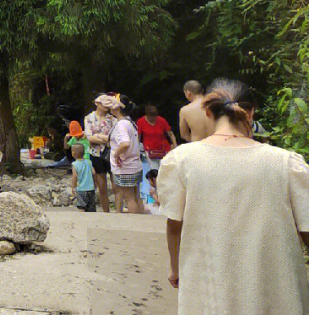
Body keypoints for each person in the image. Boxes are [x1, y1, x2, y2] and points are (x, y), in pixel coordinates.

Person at [159, 79, 309, 314]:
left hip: (208, 287)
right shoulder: (285, 163)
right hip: (276, 291)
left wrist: (175, 268)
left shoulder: (182, 160)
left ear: (207, 112)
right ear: (251, 112)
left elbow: (174, 223)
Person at [109, 96, 143, 214]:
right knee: (136, 196)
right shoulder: (130, 121)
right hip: (134, 164)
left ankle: (134, 225)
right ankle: (142, 222)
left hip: (125, 166)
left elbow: (125, 143)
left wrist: (116, 154)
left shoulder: (121, 124)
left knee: (129, 198)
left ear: (117, 107)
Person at [137, 103, 176, 197]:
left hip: (164, 150)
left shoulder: (161, 120)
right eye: (151, 118)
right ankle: (156, 193)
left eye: (154, 117)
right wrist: (137, 149)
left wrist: (175, 145)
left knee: (165, 170)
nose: (153, 120)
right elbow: (138, 136)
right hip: (150, 151)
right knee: (154, 171)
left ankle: (166, 192)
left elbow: (170, 134)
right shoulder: (141, 121)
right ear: (147, 115)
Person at [84, 95, 116, 213]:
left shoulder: (112, 119)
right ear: (97, 103)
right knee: (102, 187)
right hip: (96, 154)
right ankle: (106, 211)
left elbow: (114, 138)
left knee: (115, 185)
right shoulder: (89, 118)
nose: (106, 106)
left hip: (110, 153)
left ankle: (119, 211)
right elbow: (90, 138)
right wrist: (106, 139)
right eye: (104, 103)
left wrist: (98, 137)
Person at [69, 143, 96, 212]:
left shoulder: (75, 164)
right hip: (91, 189)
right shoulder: (89, 162)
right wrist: (95, 183)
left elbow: (74, 176)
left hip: (81, 189)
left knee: (81, 206)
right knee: (91, 207)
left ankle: (82, 220)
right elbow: (94, 173)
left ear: (73, 153)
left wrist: (73, 186)